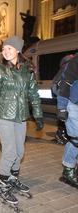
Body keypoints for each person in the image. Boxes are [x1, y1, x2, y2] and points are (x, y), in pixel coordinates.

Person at [0, 36, 43, 205]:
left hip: (21, 116)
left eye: (9, 48)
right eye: (4, 48)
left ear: (18, 50)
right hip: (4, 115)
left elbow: (33, 94)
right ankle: (1, 187)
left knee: (20, 152)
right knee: (10, 152)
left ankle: (12, 179)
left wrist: (38, 115)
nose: (5, 51)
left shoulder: (28, 69)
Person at [57, 53, 78, 187]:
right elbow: (65, 84)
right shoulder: (75, 62)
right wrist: (62, 108)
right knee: (76, 140)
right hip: (73, 104)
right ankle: (68, 171)